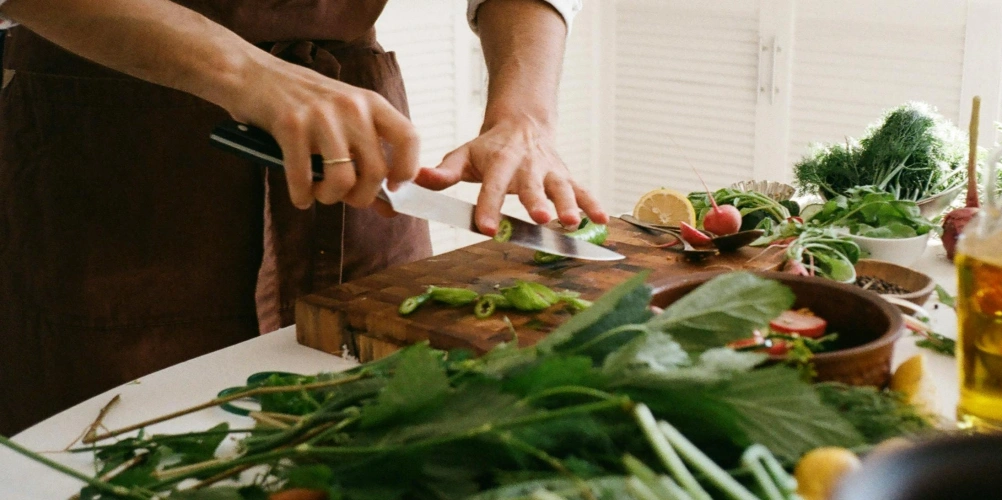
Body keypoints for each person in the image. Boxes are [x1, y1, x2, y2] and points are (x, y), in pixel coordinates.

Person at [0, 0, 608, 435]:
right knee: (102, 435)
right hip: (109, 143)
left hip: (355, 143)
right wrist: (244, 72)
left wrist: (523, 111)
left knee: (381, 418)